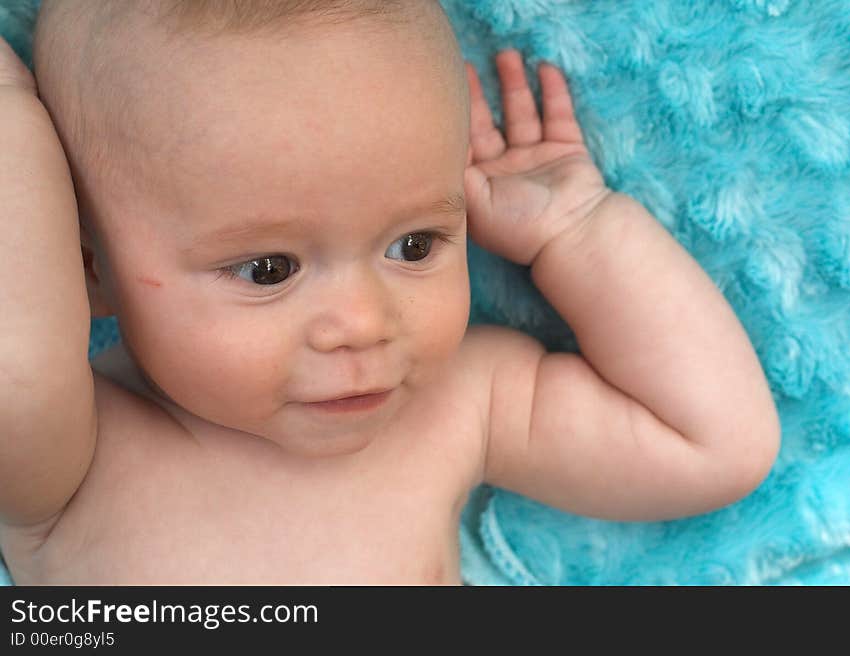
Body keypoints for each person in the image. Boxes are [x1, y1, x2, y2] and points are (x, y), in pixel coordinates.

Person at [0, 0, 780, 584]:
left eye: (415, 246)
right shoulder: (74, 455)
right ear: (87, 270)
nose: (365, 324)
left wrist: (577, 232)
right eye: (269, 270)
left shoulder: (458, 404)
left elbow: (712, 446)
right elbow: (18, 364)